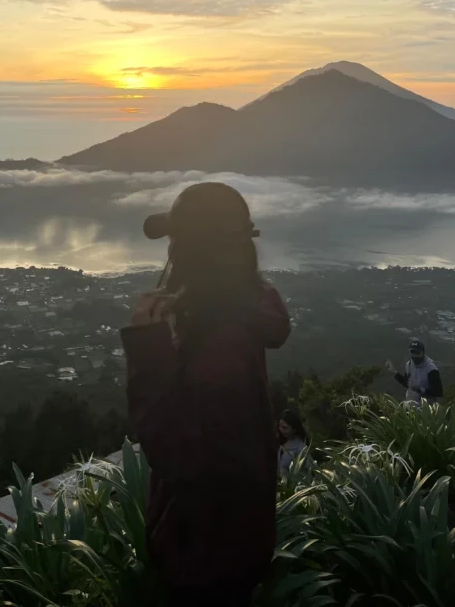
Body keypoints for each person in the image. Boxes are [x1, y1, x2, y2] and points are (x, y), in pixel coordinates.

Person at [121, 182, 291, 607]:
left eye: (177, 243)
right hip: (234, 540)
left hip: (206, 555)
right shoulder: (242, 313)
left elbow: (176, 453)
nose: (171, 253)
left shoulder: (221, 349)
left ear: (197, 257)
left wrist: (148, 347)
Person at [386, 339, 443, 405]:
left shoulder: (431, 369)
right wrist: (394, 372)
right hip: (411, 405)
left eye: (417, 353)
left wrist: (420, 390)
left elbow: (438, 392)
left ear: (423, 353)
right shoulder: (409, 365)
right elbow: (407, 383)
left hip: (426, 408)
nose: (414, 356)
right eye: (412, 352)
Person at [278, 408, 308, 476]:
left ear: (294, 429)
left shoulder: (301, 448)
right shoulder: (280, 443)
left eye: (285, 428)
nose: (281, 430)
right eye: (280, 426)